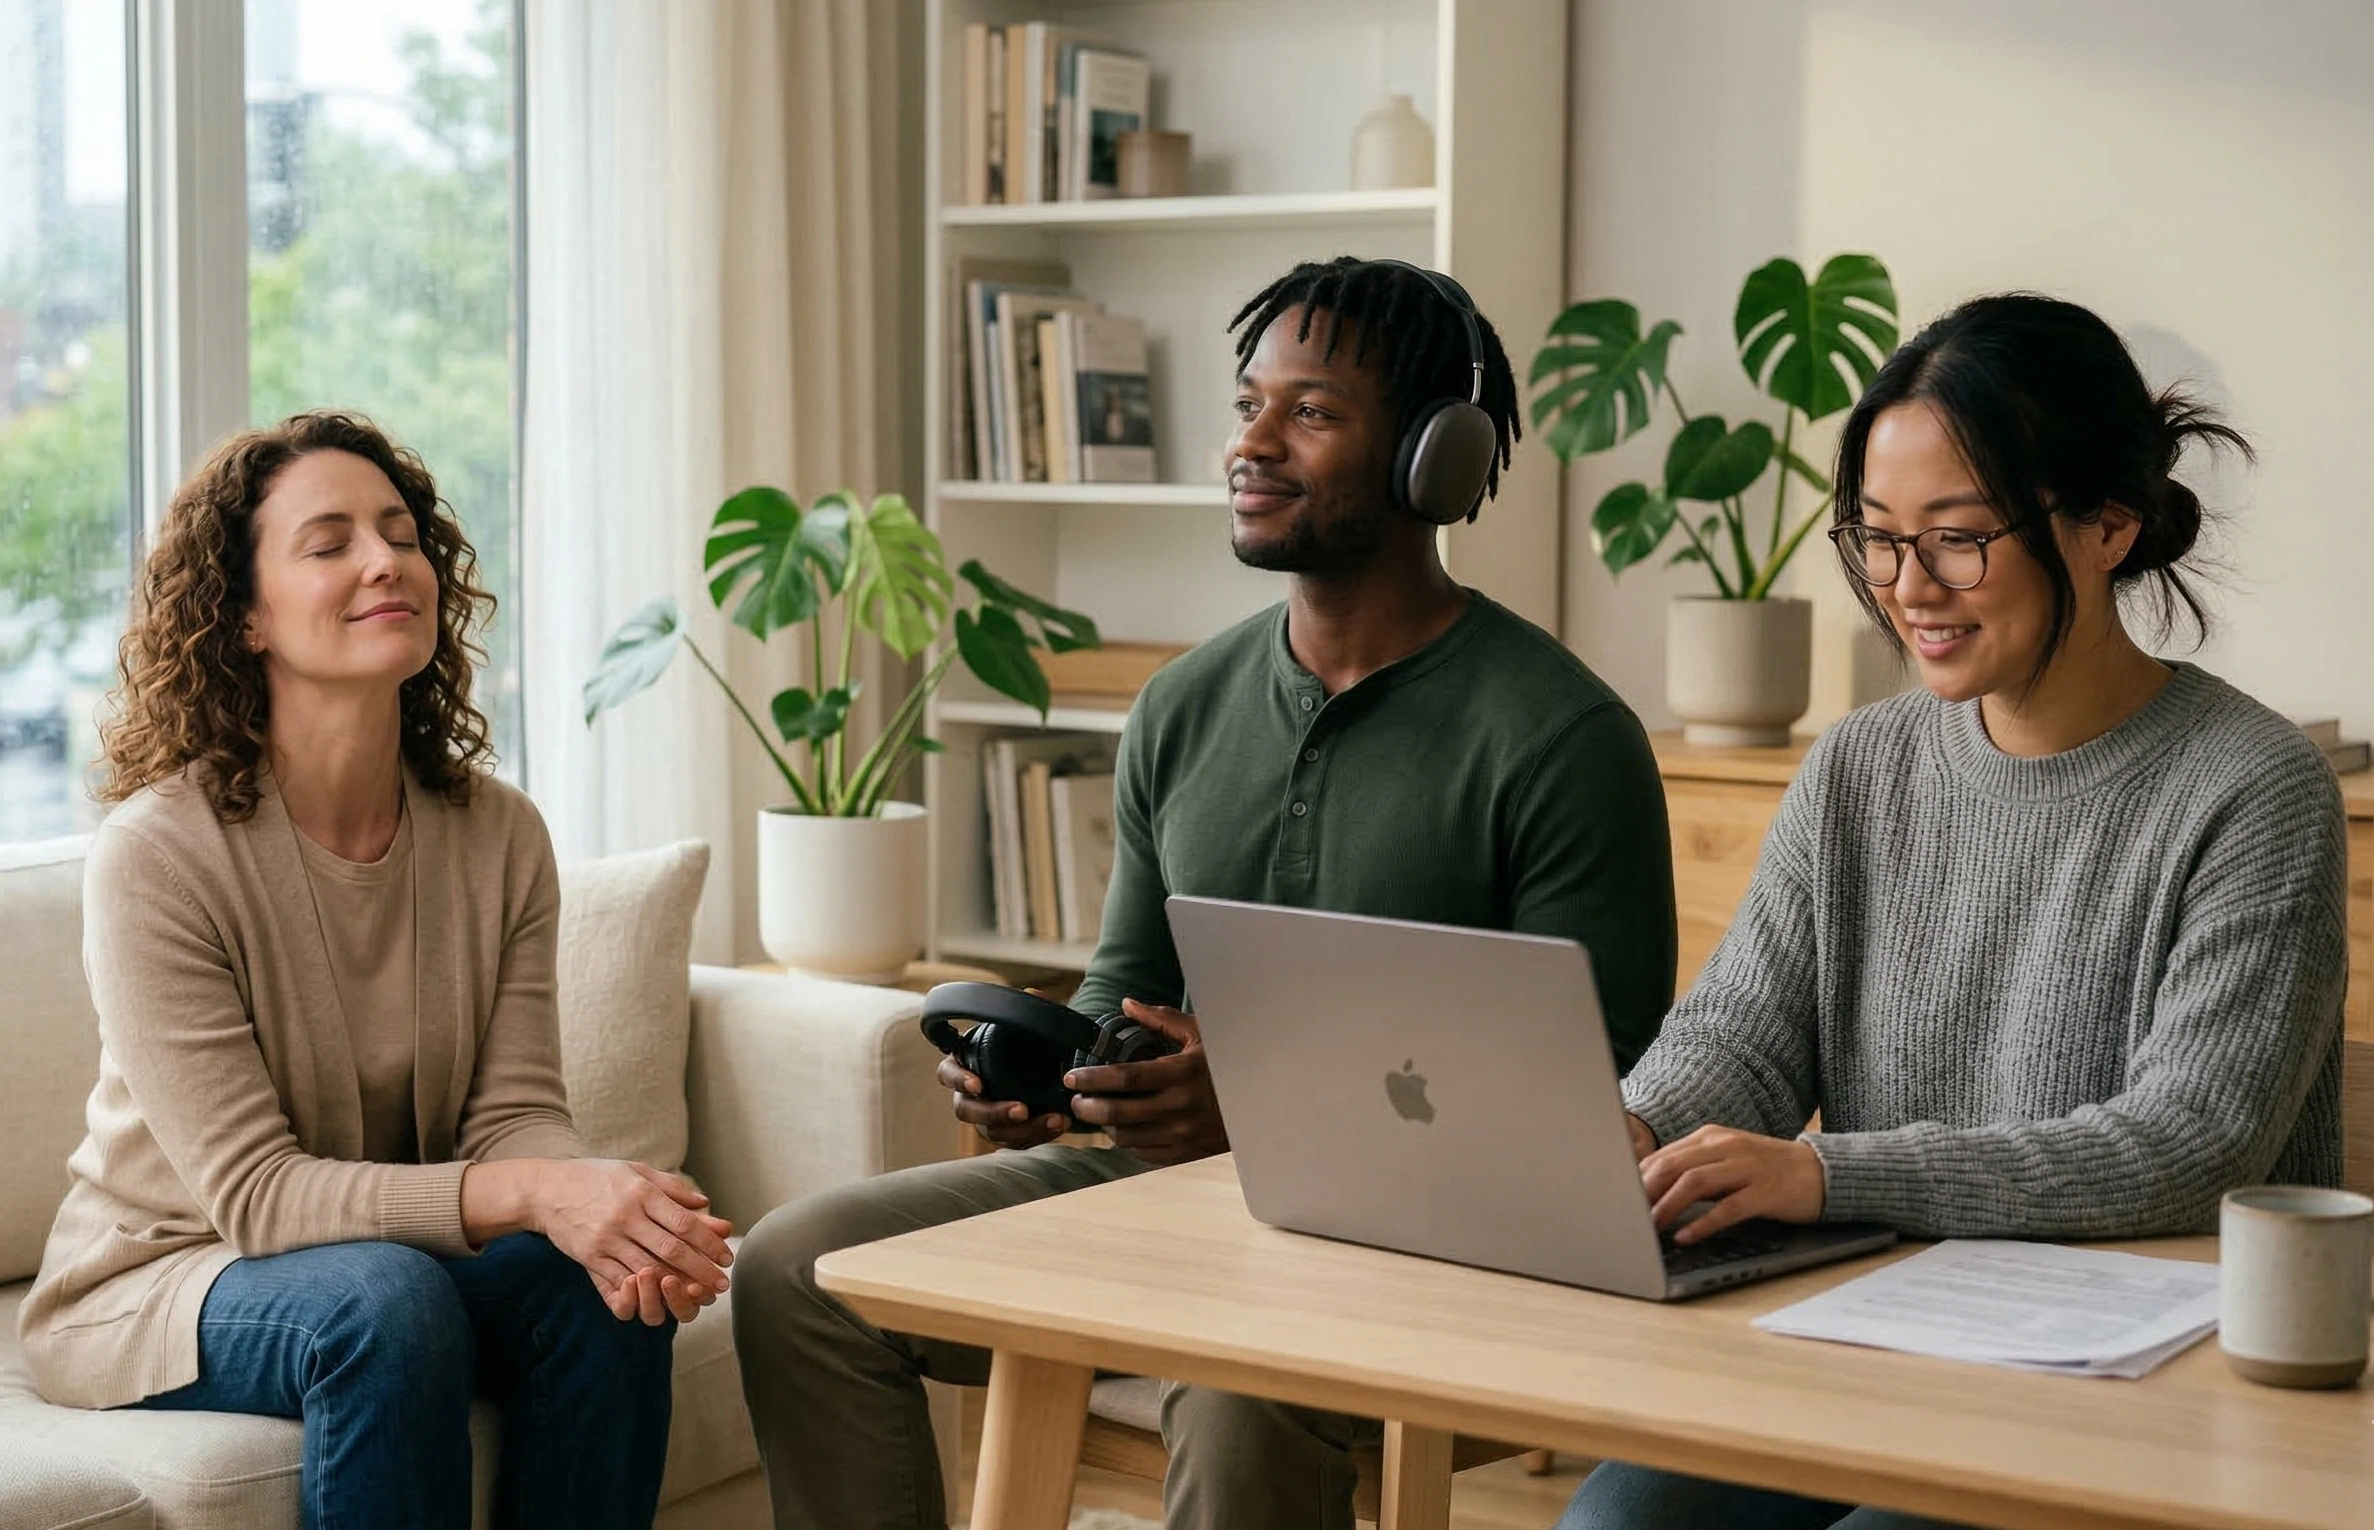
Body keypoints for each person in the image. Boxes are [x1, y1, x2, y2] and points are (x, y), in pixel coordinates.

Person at [732, 256, 1679, 1530]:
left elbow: (1595, 1102)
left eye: (1311, 411)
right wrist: (1060, 1074)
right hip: (1158, 1198)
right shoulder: (1181, 705)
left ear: (1433, 460)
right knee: (801, 1267)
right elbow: (1126, 989)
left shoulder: (1560, 737)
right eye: (1247, 405)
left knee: (1234, 1382)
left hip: (1431, 1251)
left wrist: (1259, 1117)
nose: (1252, 443)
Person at [1558, 293, 2346, 1530]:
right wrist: (1635, 1129)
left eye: (1958, 538)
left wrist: (1826, 1174)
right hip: (1870, 1340)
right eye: (1875, 538)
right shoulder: (1858, 766)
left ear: (2108, 524)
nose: (1905, 587)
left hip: (2138, 1381)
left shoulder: (2252, 789)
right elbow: (1745, 1036)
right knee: (1614, 1526)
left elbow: (2191, 1144)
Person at [18, 411, 738, 1530]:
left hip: (382, 1259)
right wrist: (538, 1195)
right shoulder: (159, 855)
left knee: (603, 1287)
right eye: (330, 542)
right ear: (244, 615)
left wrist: (615, 1209)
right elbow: (257, 1196)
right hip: (166, 1277)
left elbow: (513, 1118)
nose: (384, 561)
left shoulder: (499, 833)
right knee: (384, 1299)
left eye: (401, 535)